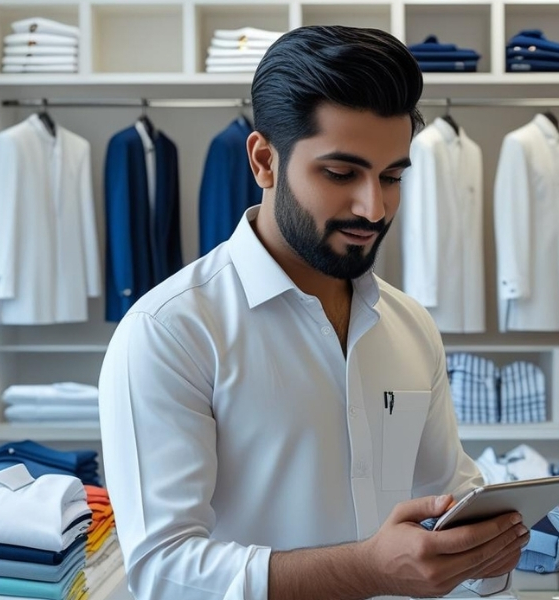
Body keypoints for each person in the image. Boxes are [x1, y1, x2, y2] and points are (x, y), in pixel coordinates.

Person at [98, 25, 528, 600]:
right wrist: (368, 569)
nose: (373, 207)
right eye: (341, 173)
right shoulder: (169, 332)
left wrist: (489, 548)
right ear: (263, 161)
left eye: (392, 176)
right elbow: (165, 570)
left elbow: (447, 489)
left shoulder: (411, 326)